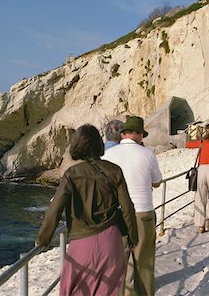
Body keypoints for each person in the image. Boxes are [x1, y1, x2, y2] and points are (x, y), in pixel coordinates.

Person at [35, 124, 138, 296]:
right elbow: (128, 208)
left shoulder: (72, 174)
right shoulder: (114, 170)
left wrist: (43, 240)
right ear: (99, 144)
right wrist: (133, 238)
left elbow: (54, 210)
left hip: (81, 244)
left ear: (77, 145)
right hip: (111, 241)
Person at [102, 115, 162, 296]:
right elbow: (157, 181)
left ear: (123, 134)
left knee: (118, 264)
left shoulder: (108, 155)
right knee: (144, 262)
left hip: (117, 215)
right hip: (142, 212)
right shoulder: (148, 153)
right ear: (138, 134)